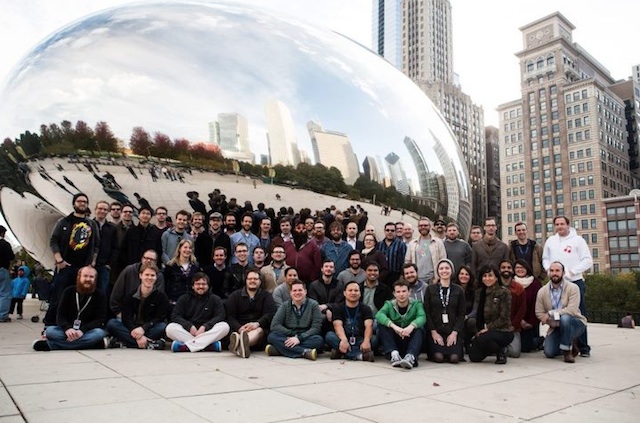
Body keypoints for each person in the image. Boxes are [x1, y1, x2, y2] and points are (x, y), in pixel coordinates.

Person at [44, 193, 100, 326]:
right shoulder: (64, 222)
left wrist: (92, 263)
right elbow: (53, 241)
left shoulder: (91, 224)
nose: (82, 204)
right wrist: (59, 260)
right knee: (58, 296)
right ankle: (50, 324)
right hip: (65, 267)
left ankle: (71, 322)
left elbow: (96, 245)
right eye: (79, 201)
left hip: (83, 268)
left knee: (78, 297)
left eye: (85, 202)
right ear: (74, 203)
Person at [542, 215, 592, 358]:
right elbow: (545, 258)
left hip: (574, 282)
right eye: (556, 224)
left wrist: (571, 272)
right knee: (558, 312)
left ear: (568, 224)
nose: (559, 227)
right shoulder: (551, 241)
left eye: (562, 224)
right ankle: (563, 342)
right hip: (556, 283)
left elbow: (588, 260)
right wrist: (549, 269)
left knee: (579, 314)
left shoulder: (578, 241)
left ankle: (584, 347)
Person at [33, 266, 107, 351]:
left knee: (99, 333)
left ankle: (52, 345)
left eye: (91, 277)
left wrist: (82, 331)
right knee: (50, 331)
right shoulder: (68, 291)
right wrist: (67, 328)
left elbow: (100, 319)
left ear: (95, 279)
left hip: (86, 331)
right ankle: (92, 345)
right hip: (68, 331)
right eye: (85, 276)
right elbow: (60, 315)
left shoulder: (100, 295)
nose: (88, 279)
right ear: (79, 277)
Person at [106, 263, 168, 349]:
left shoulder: (161, 297)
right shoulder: (130, 295)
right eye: (146, 275)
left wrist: (143, 328)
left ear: (156, 277)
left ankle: (126, 343)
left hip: (149, 328)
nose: (149, 278)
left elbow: (159, 318)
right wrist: (135, 331)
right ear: (140, 275)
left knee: (162, 327)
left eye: (152, 275)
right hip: (132, 328)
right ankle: (148, 343)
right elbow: (126, 318)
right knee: (112, 324)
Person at [535, 262, 586, 363]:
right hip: (555, 327)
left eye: (557, 271)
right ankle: (569, 342)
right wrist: (554, 323)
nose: (554, 273)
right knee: (549, 353)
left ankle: (567, 352)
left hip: (575, 323)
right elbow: (539, 312)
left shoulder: (573, 288)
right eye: (552, 270)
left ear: (563, 272)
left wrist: (550, 313)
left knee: (565, 318)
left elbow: (571, 310)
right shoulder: (542, 291)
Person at [166, 273, 230, 352]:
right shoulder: (184, 298)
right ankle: (207, 346)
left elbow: (220, 315)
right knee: (170, 328)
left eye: (203, 284)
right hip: (189, 332)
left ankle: (187, 347)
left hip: (207, 331)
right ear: (193, 286)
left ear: (208, 286)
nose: (201, 286)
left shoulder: (215, 299)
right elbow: (175, 316)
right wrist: (189, 326)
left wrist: (205, 327)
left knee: (224, 326)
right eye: (198, 284)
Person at [266, 280, 324, 360]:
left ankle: (279, 350)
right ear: (290, 293)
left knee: (318, 340)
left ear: (305, 291)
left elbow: (316, 328)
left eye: (300, 290)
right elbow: (275, 325)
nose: (297, 293)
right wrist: (292, 334)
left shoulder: (314, 305)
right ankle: (304, 351)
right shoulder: (285, 305)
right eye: (294, 290)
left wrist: (299, 338)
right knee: (272, 336)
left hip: (306, 336)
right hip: (288, 335)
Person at [468, 265, 514, 364]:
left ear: (496, 277)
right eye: (484, 276)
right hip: (484, 331)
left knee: (482, 338)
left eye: (490, 276)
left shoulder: (504, 292)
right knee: (474, 357)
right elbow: (476, 312)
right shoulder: (480, 292)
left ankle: (500, 352)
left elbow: (504, 318)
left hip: (503, 330)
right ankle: (492, 347)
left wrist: (488, 328)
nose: (487, 278)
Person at [375, 279, 426, 369]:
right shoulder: (389, 304)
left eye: (404, 291)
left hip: (409, 339)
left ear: (409, 292)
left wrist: (411, 326)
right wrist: (394, 327)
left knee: (419, 329)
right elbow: (379, 315)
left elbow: (422, 317)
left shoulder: (416, 304)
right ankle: (394, 355)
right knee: (382, 325)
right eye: (398, 292)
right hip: (395, 340)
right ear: (394, 294)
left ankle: (410, 357)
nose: (401, 294)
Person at [225, 269, 276, 358]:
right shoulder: (235, 296)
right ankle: (242, 344)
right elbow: (230, 316)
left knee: (259, 331)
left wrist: (257, 323)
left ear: (260, 282)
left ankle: (241, 343)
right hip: (239, 329)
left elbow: (270, 314)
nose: (252, 281)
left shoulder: (266, 296)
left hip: (259, 330)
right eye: (250, 279)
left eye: (255, 279)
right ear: (246, 281)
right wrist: (239, 328)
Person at [425, 259, 466, 363]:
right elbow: (427, 312)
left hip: (452, 330)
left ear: (451, 270)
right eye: (441, 268)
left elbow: (461, 314)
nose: (444, 271)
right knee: (439, 358)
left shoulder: (458, 290)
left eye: (447, 268)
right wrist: (433, 332)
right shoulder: (430, 289)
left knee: (454, 359)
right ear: (437, 271)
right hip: (436, 331)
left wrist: (455, 333)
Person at [325, 281, 375, 361]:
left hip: (360, 339)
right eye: (350, 290)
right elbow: (338, 325)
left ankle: (341, 353)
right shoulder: (338, 307)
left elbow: (369, 326)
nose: (353, 293)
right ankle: (360, 356)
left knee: (375, 340)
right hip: (343, 338)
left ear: (360, 293)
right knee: (329, 336)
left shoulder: (366, 308)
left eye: (356, 290)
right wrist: (344, 340)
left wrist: (366, 341)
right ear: (344, 293)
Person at [110, 250, 165, 317]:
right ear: (142, 258)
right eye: (146, 258)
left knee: (161, 326)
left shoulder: (159, 276)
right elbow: (116, 294)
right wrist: (119, 313)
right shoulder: (129, 270)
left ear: (156, 262)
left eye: (152, 259)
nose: (148, 261)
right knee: (112, 323)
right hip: (126, 315)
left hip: (148, 318)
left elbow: (159, 300)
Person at [513, 259, 544, 352]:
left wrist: (530, 322)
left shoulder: (535, 284)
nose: (520, 270)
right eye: (517, 267)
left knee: (526, 348)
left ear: (527, 268)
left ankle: (541, 340)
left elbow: (538, 305)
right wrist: (519, 321)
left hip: (530, 322)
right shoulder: (511, 282)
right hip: (516, 321)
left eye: (522, 267)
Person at [405, 217, 446, 285]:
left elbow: (443, 260)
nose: (423, 227)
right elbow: (407, 262)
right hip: (416, 279)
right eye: (421, 226)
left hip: (432, 280)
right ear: (418, 227)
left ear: (430, 227)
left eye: (425, 225)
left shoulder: (438, 242)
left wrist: (438, 278)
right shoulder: (412, 244)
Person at [308, 260, 344, 334]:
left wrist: (327, 306)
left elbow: (339, 303)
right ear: (322, 269)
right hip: (318, 314)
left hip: (335, 313)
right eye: (326, 266)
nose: (328, 269)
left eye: (331, 267)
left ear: (334, 270)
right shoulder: (313, 285)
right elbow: (313, 303)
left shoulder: (339, 285)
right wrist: (326, 310)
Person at [499, 260, 526, 358]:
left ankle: (502, 348)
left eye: (509, 267)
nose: (506, 269)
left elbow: (521, 310)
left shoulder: (519, 288)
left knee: (515, 353)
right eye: (503, 267)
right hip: (496, 327)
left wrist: (513, 326)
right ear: (499, 270)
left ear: (513, 271)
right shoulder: (494, 286)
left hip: (513, 328)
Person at [93, 200, 118, 295]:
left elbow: (115, 247)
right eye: (100, 208)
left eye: (105, 209)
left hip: (104, 267)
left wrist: (109, 264)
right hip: (88, 266)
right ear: (95, 210)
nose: (102, 211)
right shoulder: (88, 225)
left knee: (101, 293)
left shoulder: (112, 228)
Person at [164, 239, 200, 305]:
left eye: (190, 248)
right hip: (174, 302)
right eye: (185, 247)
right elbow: (166, 285)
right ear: (180, 249)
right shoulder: (170, 266)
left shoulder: (196, 267)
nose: (187, 250)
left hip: (191, 302)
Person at [0, 225, 15, 322]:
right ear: (3, 233)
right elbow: (11, 256)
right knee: (5, 293)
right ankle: (2, 315)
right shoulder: (5, 244)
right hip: (2, 269)